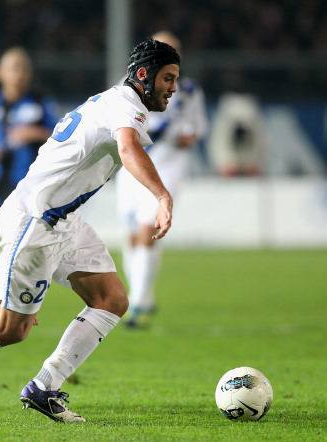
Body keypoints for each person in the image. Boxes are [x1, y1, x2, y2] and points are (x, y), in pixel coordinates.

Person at [0, 39, 180, 422]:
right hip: (35, 221)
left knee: (111, 299)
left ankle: (45, 386)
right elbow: (128, 150)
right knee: (10, 328)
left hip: (63, 220)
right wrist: (162, 195)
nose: (173, 87)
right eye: (168, 78)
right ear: (143, 75)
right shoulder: (126, 106)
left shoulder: (114, 101)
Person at [116, 32, 207, 328]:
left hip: (168, 167)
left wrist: (186, 136)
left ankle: (137, 303)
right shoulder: (128, 86)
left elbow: (197, 128)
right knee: (132, 236)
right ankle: (144, 296)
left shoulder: (188, 91)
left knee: (147, 231)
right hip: (132, 166)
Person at [0, 47, 58, 198]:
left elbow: (58, 135)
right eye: (14, 68)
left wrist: (34, 133)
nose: (19, 74)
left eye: (24, 69)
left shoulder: (40, 102)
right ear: (0, 72)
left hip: (28, 182)